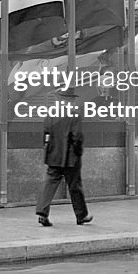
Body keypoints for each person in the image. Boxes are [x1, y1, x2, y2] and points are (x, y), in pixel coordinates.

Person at [35, 88, 92, 227]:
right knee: (75, 186)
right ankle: (81, 216)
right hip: (70, 157)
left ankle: (42, 212)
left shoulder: (51, 113)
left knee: (49, 184)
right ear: (70, 100)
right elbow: (77, 136)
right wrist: (78, 152)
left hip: (53, 155)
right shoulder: (74, 114)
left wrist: (48, 149)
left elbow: (46, 134)